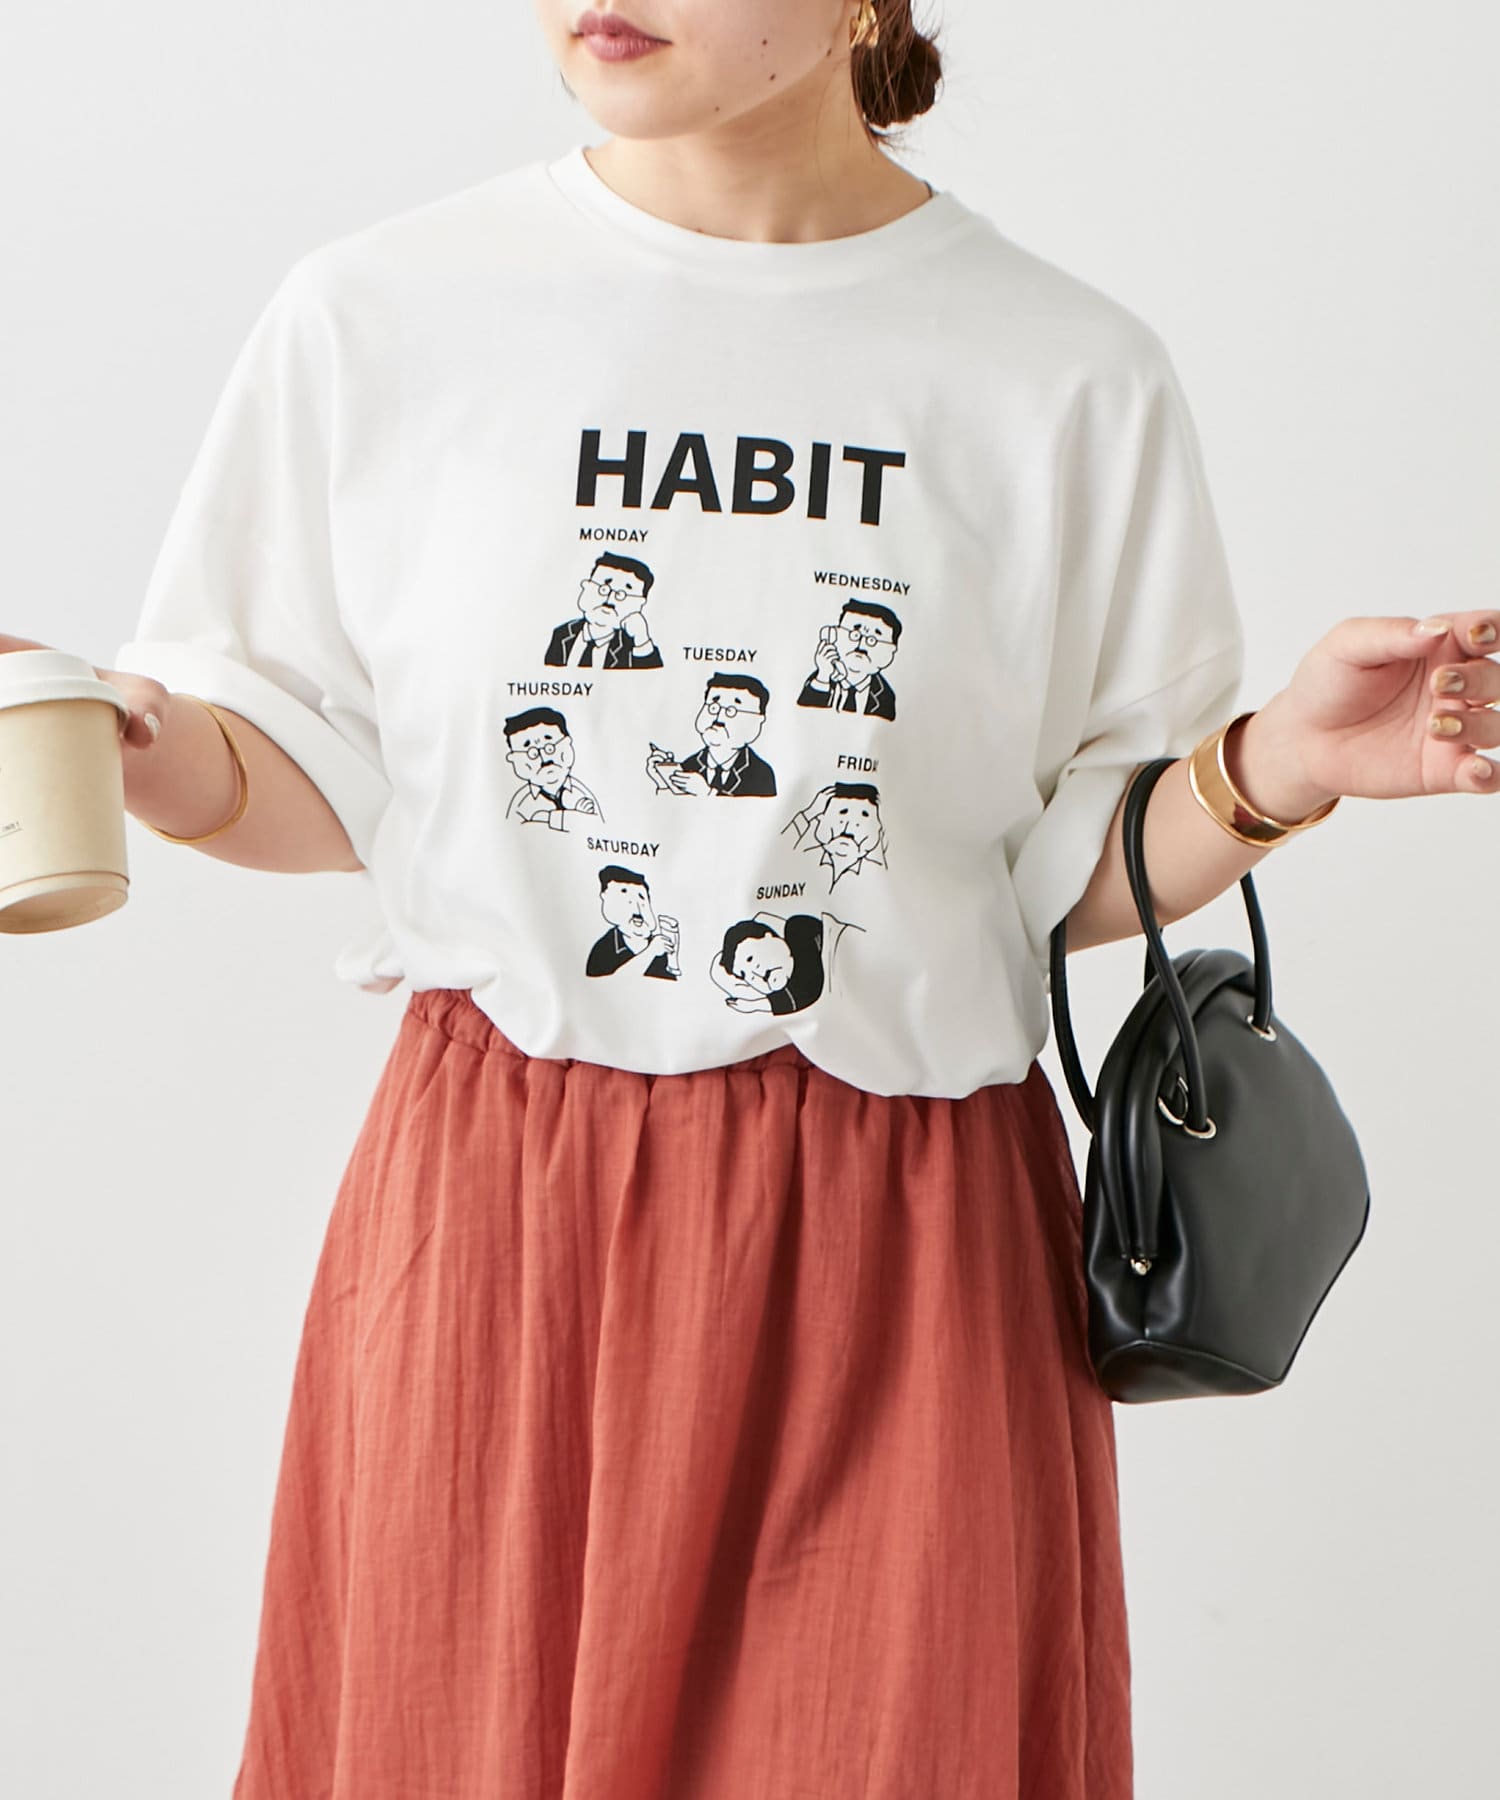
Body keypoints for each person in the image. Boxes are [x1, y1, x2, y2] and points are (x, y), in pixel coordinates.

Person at [6, 2, 1495, 1795]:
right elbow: (317, 784)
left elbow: (1051, 878)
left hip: (901, 1241)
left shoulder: (1062, 374)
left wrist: (1281, 766)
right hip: (501, 1220)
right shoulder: (385, 314)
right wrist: (142, 745)